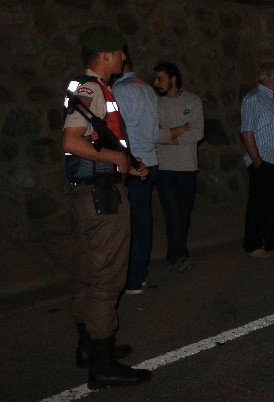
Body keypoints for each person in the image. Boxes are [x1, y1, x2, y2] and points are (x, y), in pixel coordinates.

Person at [62, 26, 152, 389]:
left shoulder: (87, 88)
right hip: (103, 198)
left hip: (90, 192)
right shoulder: (93, 89)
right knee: (106, 279)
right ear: (104, 56)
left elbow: (96, 137)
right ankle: (102, 366)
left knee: (88, 271)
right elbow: (72, 141)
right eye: (119, 53)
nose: (124, 58)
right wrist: (118, 159)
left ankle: (90, 345)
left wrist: (128, 161)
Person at [112, 47, 160, 295]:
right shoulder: (148, 89)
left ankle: (131, 278)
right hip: (151, 160)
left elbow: (118, 132)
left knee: (130, 223)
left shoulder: (120, 91)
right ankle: (138, 275)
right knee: (143, 220)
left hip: (134, 163)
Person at [152, 61, 205, 273]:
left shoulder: (192, 100)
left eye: (160, 78)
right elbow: (154, 134)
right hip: (164, 168)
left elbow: (197, 132)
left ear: (173, 79)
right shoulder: (155, 104)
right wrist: (179, 130)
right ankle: (179, 255)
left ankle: (174, 254)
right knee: (172, 214)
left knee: (183, 213)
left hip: (187, 167)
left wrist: (170, 137)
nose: (156, 83)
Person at [240, 61, 274, 258]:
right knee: (258, 205)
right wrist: (257, 162)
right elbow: (247, 132)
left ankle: (272, 240)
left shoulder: (271, 99)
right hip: (263, 161)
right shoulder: (254, 99)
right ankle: (252, 244)